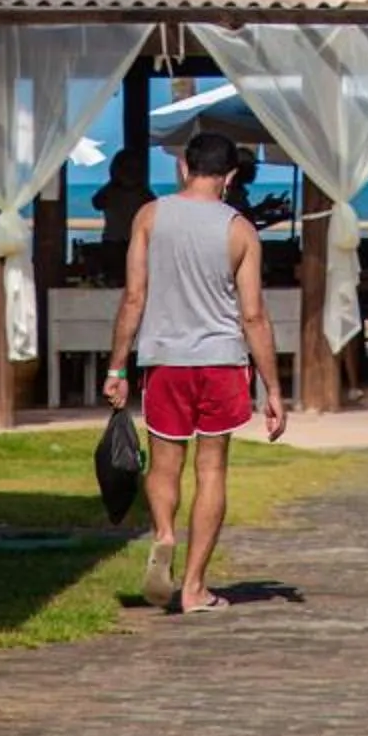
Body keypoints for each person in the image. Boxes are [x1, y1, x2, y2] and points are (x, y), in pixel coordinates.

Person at [103, 126, 286, 616]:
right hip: (221, 361)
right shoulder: (240, 229)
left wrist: (118, 366)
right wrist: (274, 388)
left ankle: (164, 532)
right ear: (229, 176)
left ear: (183, 167)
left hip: (165, 360)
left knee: (165, 464)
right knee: (212, 468)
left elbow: (134, 297)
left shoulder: (150, 216)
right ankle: (194, 587)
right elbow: (252, 316)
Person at [90, 146, 154, 284]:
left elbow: (96, 203)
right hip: (126, 242)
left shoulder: (111, 191)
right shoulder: (142, 193)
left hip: (117, 241)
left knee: (115, 281)